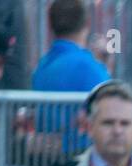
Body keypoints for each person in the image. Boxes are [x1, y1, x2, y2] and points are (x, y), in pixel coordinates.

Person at [32, 0, 110, 156]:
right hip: (80, 157)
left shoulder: (42, 66)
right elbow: (110, 104)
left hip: (45, 159)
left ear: (50, 25)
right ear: (87, 22)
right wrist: (103, 64)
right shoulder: (89, 66)